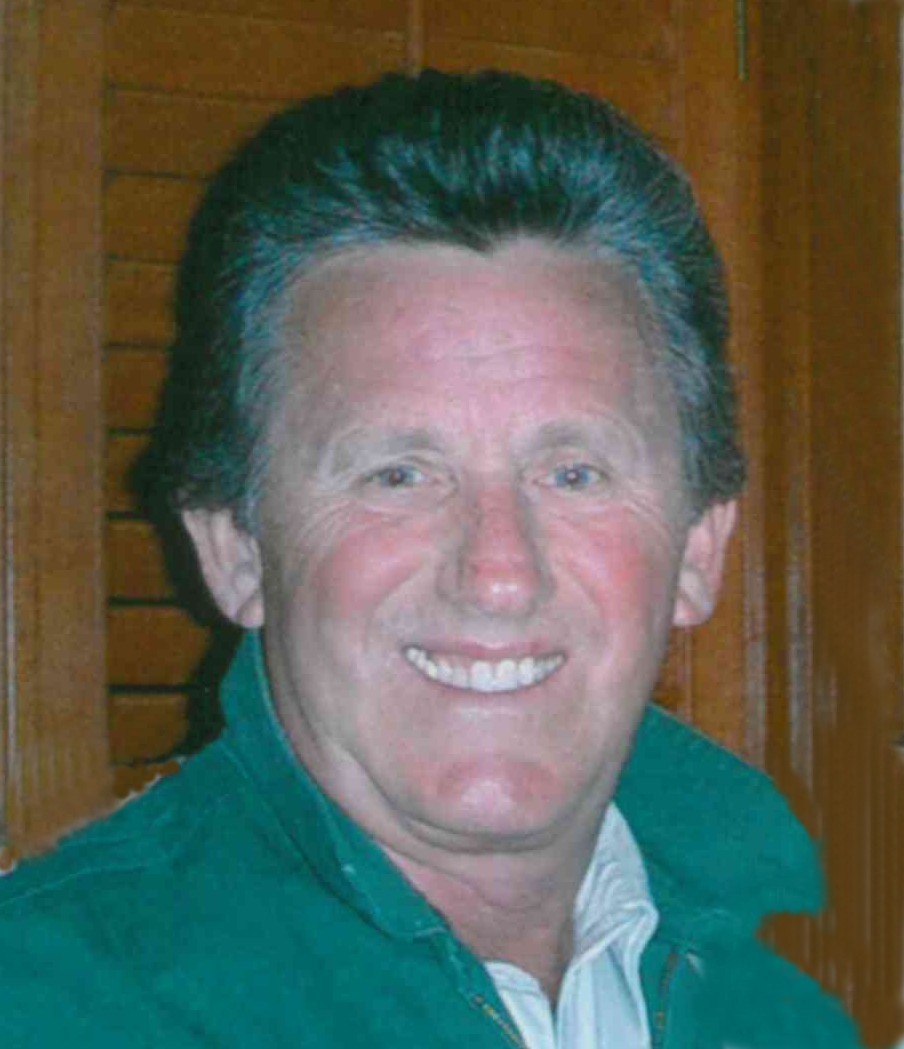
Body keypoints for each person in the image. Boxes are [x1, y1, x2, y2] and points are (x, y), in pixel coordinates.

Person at [0, 70, 859, 1047]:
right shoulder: (51, 1006)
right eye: (398, 475)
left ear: (700, 543)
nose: (498, 574)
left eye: (572, 473)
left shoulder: (821, 955)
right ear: (233, 546)